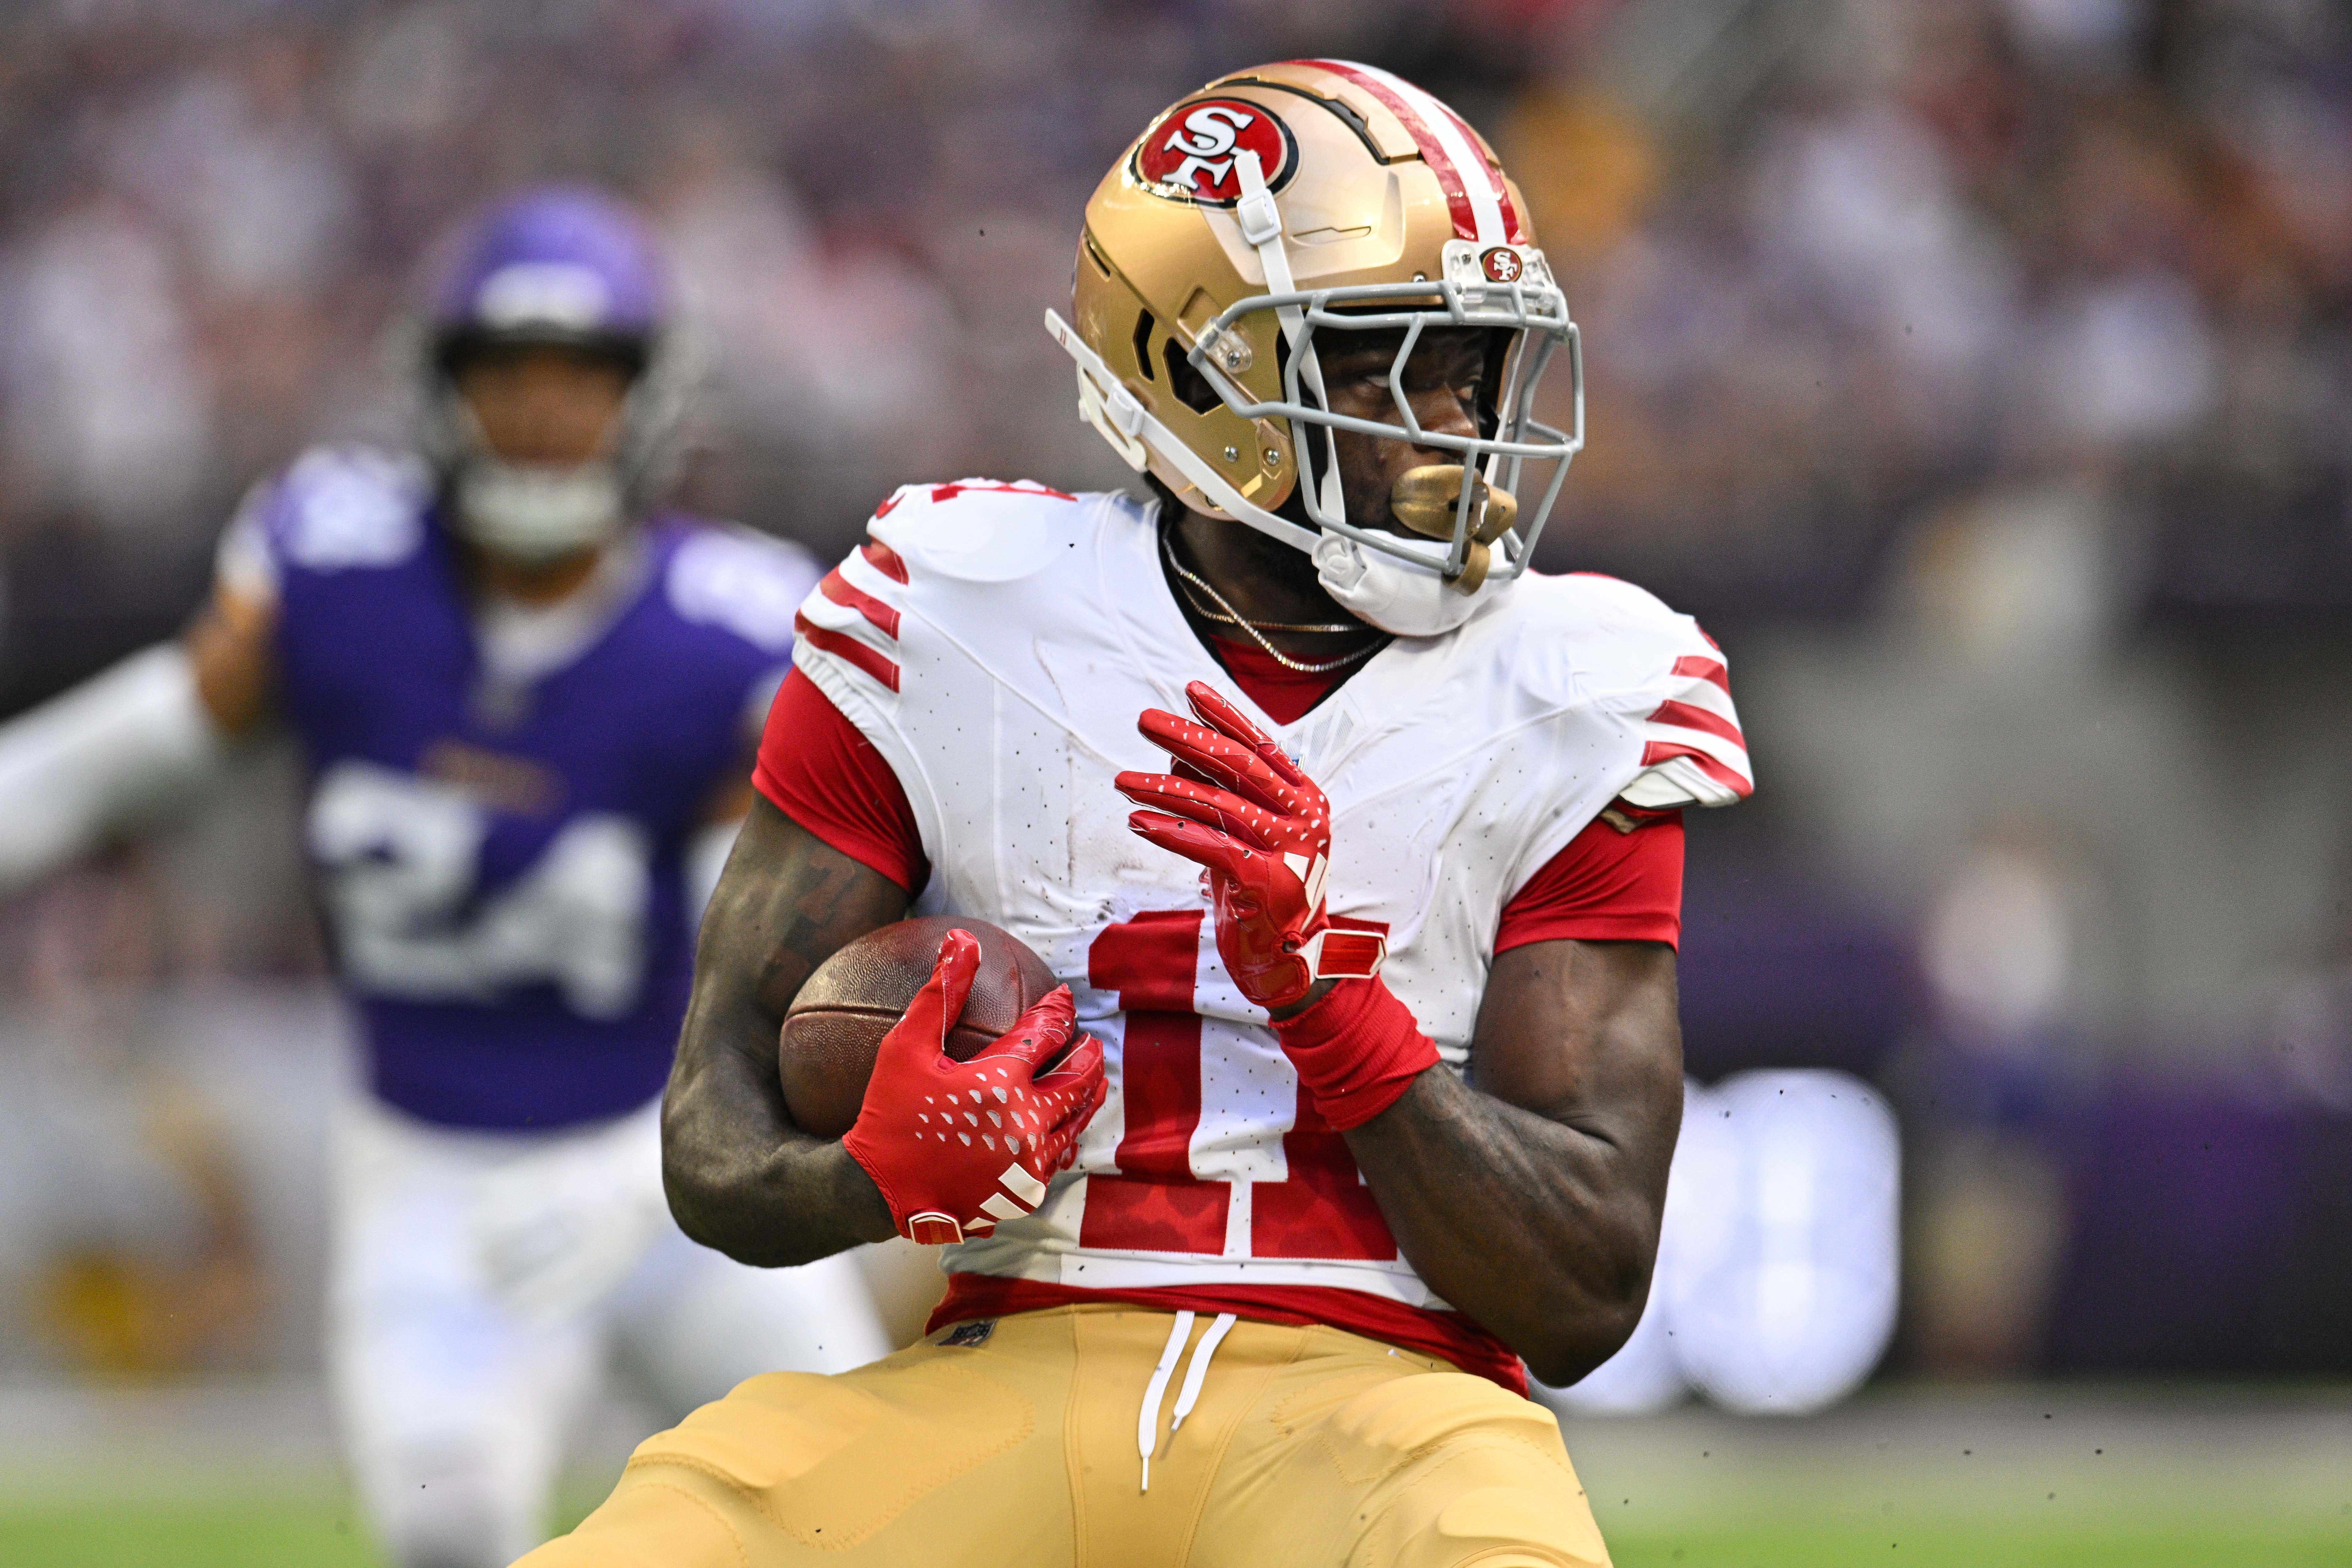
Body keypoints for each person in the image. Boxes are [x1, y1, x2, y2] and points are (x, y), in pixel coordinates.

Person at [529, 61, 1751, 1568]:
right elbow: (712, 1140)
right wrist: (873, 1174)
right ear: (1197, 377)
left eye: (1473, 366)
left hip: (1385, 1405)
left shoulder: (1578, 679)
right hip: (1010, 1359)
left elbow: (1582, 1289)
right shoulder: (950, 606)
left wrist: (1324, 999)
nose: (1455, 427)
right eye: (1386, 367)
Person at [0, 185, 891, 1567]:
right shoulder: (338, 566)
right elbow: (116, 762)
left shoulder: (723, 629)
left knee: (870, 1500)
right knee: (450, 1525)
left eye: (579, 380)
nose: (540, 412)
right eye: (505, 376)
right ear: (439, 386)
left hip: (674, 1157)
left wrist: (631, 1174)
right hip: (429, 1167)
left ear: (646, 399)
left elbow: (764, 957)